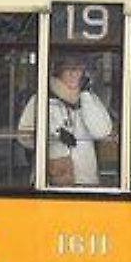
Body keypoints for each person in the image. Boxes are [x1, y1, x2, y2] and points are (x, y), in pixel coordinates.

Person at [18, 54, 115, 186]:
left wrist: (85, 95)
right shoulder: (40, 99)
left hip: (84, 179)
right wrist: (55, 135)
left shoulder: (90, 99)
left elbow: (101, 132)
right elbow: (24, 137)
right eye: (68, 69)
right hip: (48, 179)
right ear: (59, 72)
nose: (73, 74)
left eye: (77, 69)